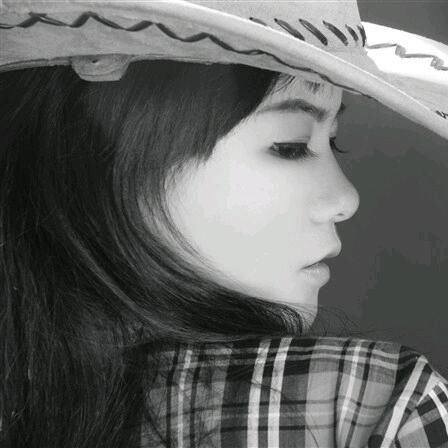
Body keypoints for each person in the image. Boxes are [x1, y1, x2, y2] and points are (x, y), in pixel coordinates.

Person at [0, 1, 447, 447]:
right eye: (290, 146)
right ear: (108, 154)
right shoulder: (369, 407)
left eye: (333, 142)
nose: (346, 199)